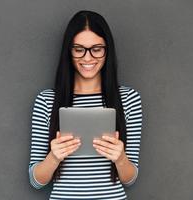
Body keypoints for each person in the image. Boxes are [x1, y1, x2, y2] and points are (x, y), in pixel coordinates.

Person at [29, 10, 143, 200]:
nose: (88, 58)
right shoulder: (47, 101)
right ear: (69, 51)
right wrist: (54, 157)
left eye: (96, 49)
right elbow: (36, 181)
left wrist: (120, 158)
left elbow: (129, 179)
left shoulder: (128, 99)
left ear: (107, 51)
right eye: (79, 49)